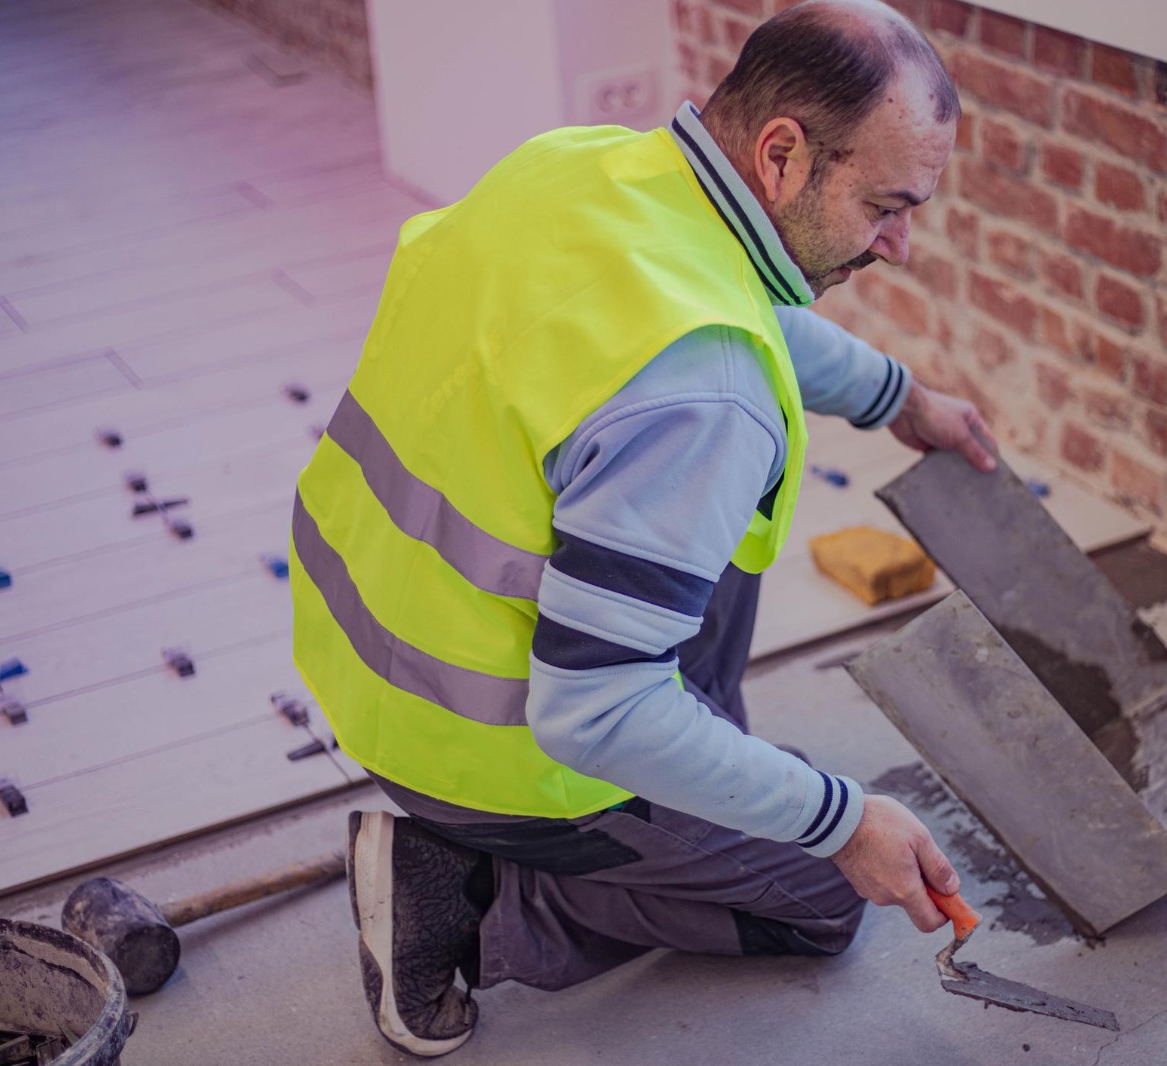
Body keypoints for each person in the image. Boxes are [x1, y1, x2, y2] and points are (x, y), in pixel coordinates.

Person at [289, 0, 998, 1055]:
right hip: (485, 740)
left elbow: (735, 311)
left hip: (363, 639)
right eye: (885, 206)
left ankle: (671, 802)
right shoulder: (701, 396)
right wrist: (840, 821)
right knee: (820, 897)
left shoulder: (577, 167)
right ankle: (462, 896)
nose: (897, 246)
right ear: (782, 154)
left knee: (703, 546)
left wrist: (902, 398)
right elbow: (595, 718)